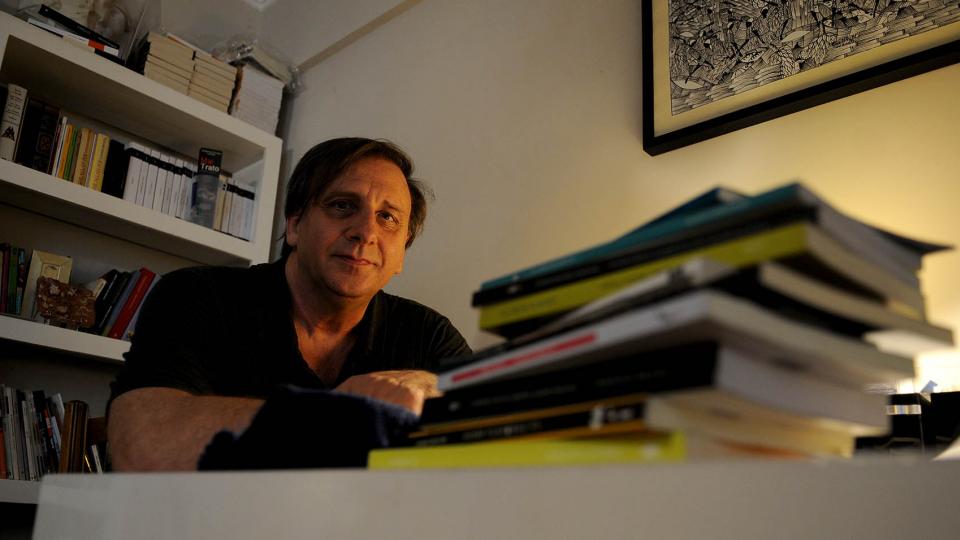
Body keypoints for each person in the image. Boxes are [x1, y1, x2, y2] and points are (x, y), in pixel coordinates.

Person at [107, 137, 471, 471]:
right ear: (295, 224)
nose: (366, 231)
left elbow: (490, 444)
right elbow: (142, 447)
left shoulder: (430, 335)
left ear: (402, 253)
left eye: (388, 218)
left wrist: (433, 388)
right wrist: (337, 415)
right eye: (342, 206)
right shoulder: (195, 295)